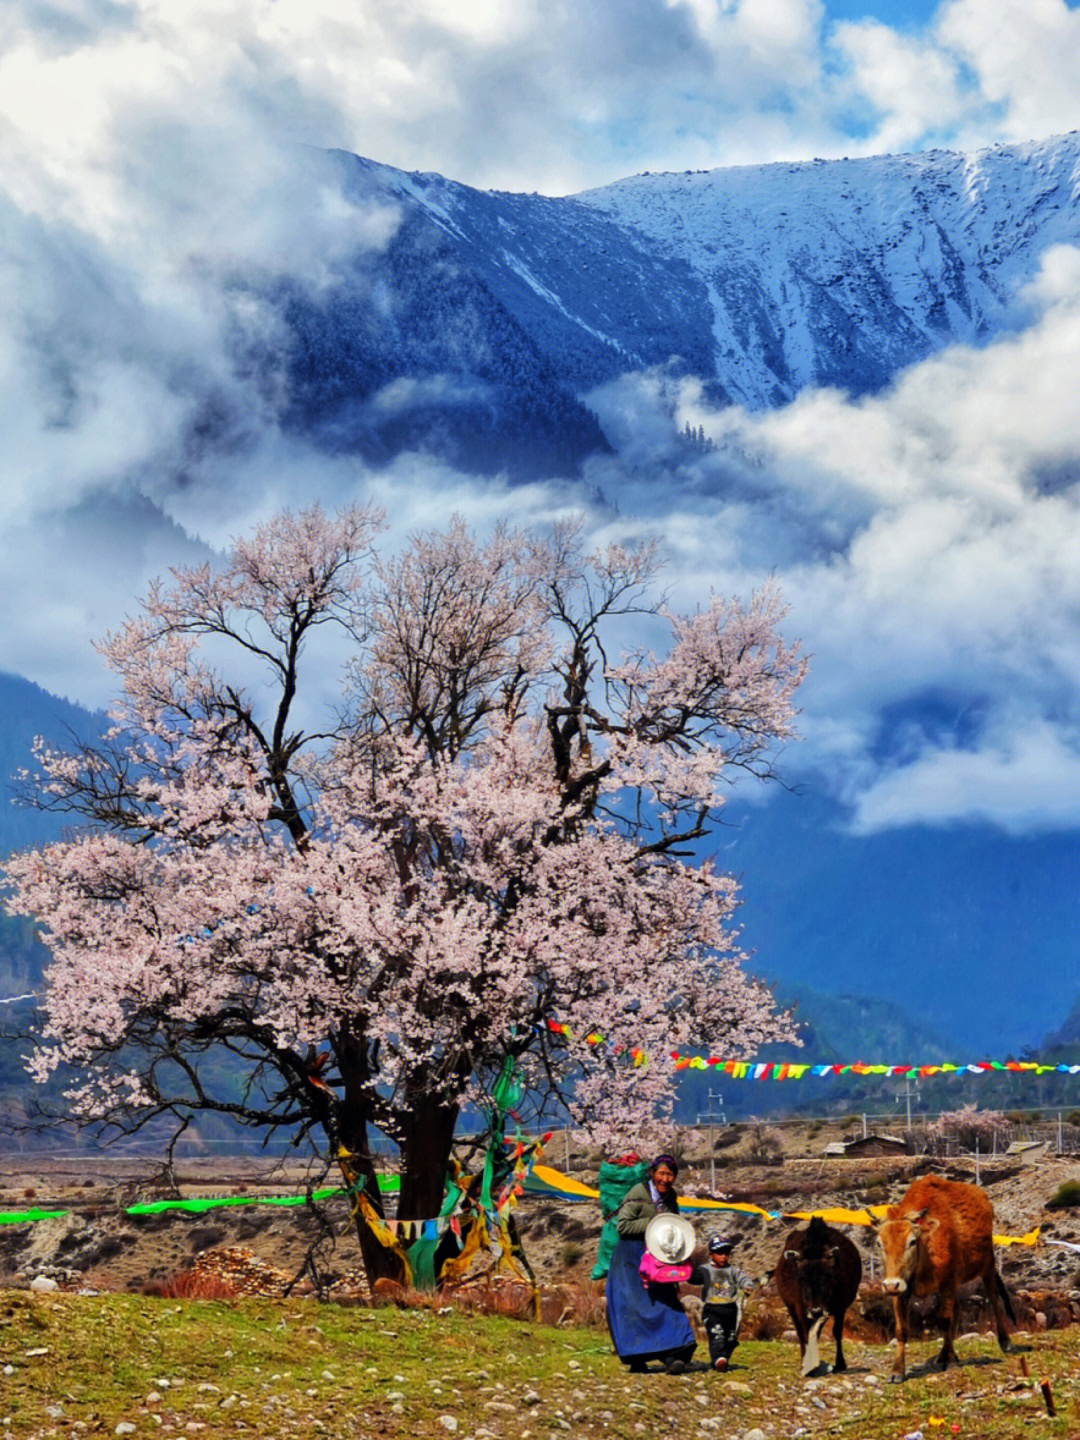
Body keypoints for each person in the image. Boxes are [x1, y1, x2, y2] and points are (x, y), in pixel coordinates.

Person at [606, 1154, 697, 1374]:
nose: (666, 1179)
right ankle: (638, 1359)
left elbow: (671, 1226)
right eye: (662, 1173)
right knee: (635, 1308)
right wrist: (653, 1223)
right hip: (630, 1260)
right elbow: (623, 1226)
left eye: (670, 1174)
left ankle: (674, 1354)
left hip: (658, 1259)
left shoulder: (671, 1198)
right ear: (653, 1174)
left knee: (666, 1303)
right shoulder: (638, 1193)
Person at [689, 1234, 754, 1371]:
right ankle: (719, 1360)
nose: (723, 1256)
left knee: (730, 1338)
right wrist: (686, 1267)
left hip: (731, 1310)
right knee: (717, 1335)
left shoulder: (733, 1270)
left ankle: (723, 1358)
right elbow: (693, 1278)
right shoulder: (705, 1270)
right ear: (711, 1254)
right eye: (719, 1253)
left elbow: (743, 1278)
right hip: (712, 1310)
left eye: (726, 1253)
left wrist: (747, 1285)